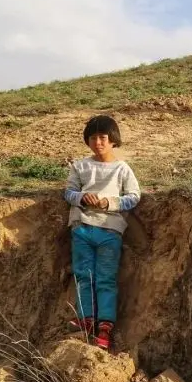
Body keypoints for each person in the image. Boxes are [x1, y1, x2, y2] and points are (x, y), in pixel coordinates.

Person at [63, 115, 141, 350]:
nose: (98, 142)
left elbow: (134, 197)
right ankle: (86, 321)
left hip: (110, 231)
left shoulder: (122, 169)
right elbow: (68, 193)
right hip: (82, 228)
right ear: (87, 140)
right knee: (83, 275)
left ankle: (105, 326)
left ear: (113, 140)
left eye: (103, 137)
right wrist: (81, 197)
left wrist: (109, 203)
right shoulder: (80, 166)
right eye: (93, 137)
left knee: (106, 278)